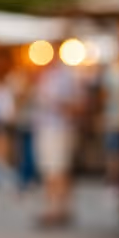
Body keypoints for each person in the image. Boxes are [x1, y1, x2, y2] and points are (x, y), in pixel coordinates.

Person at [32, 51, 82, 227]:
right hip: (46, 127)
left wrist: (57, 103)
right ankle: (54, 208)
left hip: (58, 128)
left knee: (58, 170)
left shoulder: (65, 76)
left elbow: (78, 104)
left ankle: (58, 209)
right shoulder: (46, 75)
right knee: (50, 170)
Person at [100, 54, 119, 189]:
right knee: (118, 152)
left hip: (115, 119)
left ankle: (114, 182)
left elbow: (104, 97)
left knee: (114, 152)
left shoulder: (112, 72)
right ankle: (117, 182)